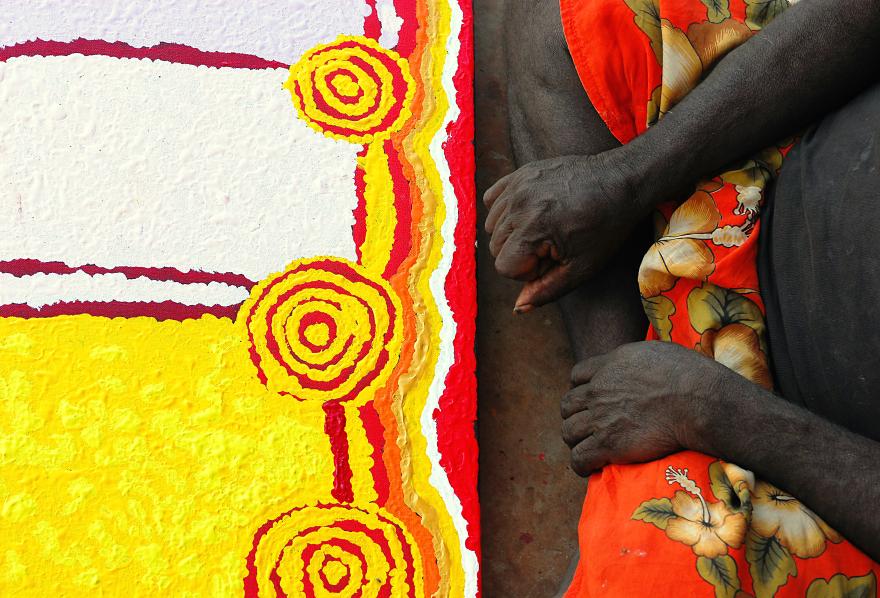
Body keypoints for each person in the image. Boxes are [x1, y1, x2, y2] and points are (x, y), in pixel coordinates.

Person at [486, 0, 880, 594]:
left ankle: (637, 436)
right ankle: (617, 383)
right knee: (574, 25)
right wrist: (630, 178)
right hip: (773, 159)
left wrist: (711, 409)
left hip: (801, 461)